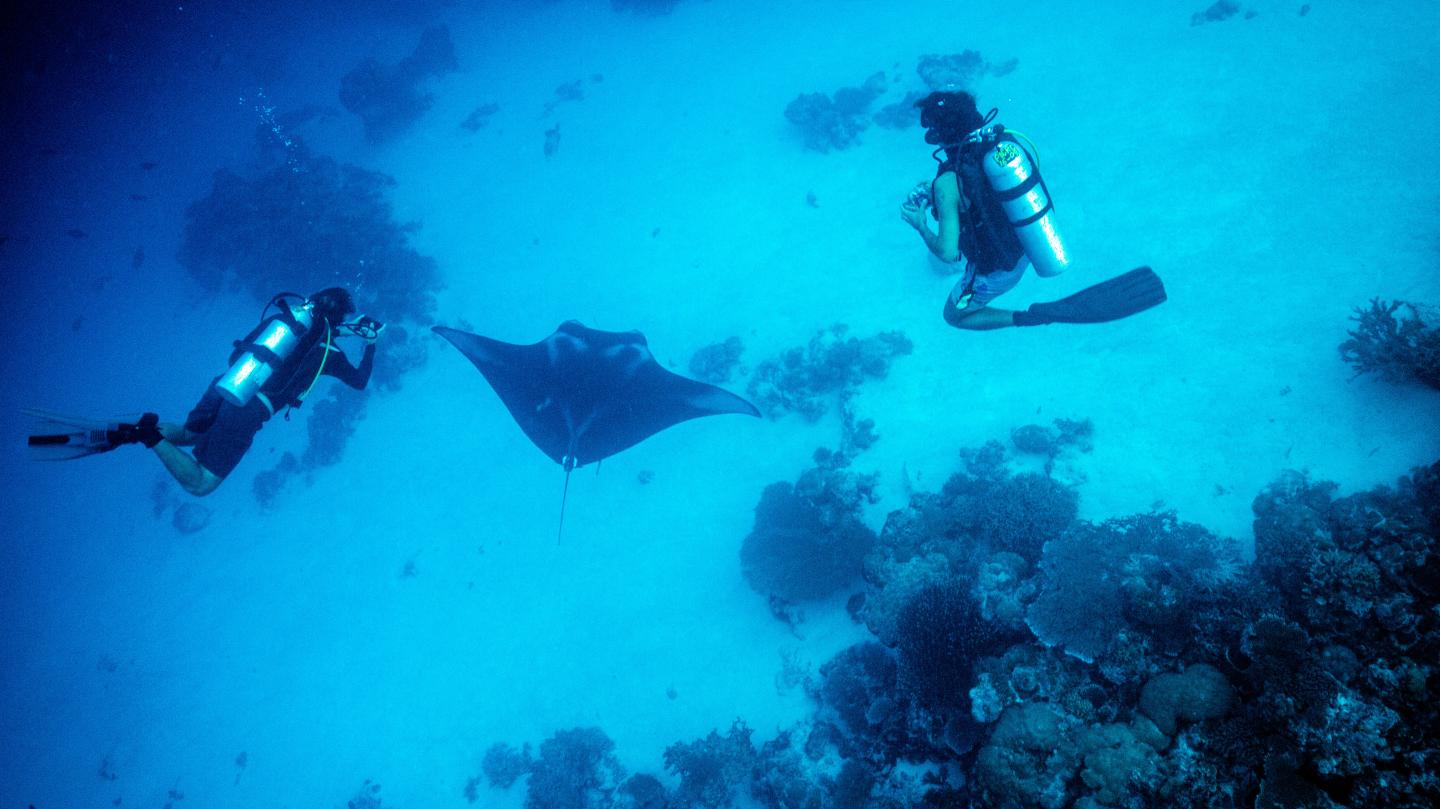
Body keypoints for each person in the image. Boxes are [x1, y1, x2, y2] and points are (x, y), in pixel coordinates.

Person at [36, 287, 383, 496]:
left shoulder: (289, 321)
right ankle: (146, 435)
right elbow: (359, 381)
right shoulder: (329, 354)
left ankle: (134, 428)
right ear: (336, 322)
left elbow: (295, 348)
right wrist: (371, 345)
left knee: (188, 434)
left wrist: (345, 331)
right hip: (249, 410)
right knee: (201, 484)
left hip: (229, 382)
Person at [900, 90, 1166, 331]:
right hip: (1029, 244)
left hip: (996, 273)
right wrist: (941, 195)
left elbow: (948, 254)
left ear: (942, 134)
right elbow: (984, 193)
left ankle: (1031, 317)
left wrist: (921, 224)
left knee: (954, 317)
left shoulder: (947, 184)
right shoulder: (1002, 147)